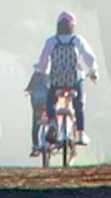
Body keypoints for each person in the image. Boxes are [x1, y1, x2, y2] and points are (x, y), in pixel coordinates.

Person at [35, 10, 98, 145]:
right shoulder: (78, 40)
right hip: (74, 81)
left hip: (57, 81)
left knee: (51, 101)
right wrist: (93, 72)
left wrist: (43, 72)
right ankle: (80, 133)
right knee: (79, 105)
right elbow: (89, 58)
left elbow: (43, 62)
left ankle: (52, 122)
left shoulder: (51, 41)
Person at [23, 63, 50, 157]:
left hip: (37, 104)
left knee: (36, 123)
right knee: (52, 118)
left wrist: (28, 90)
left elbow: (29, 87)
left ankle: (35, 145)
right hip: (48, 103)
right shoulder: (52, 73)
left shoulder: (36, 75)